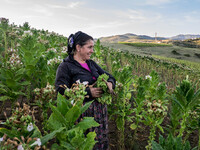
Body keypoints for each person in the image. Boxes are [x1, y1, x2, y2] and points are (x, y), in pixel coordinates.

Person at [55, 31, 116, 150]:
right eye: (89, 47)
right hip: (81, 113)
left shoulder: (91, 63)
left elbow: (110, 76)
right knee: (84, 143)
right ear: (78, 47)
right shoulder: (66, 66)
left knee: (99, 141)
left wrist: (110, 83)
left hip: (99, 111)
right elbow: (60, 89)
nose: (92, 51)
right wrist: (88, 93)